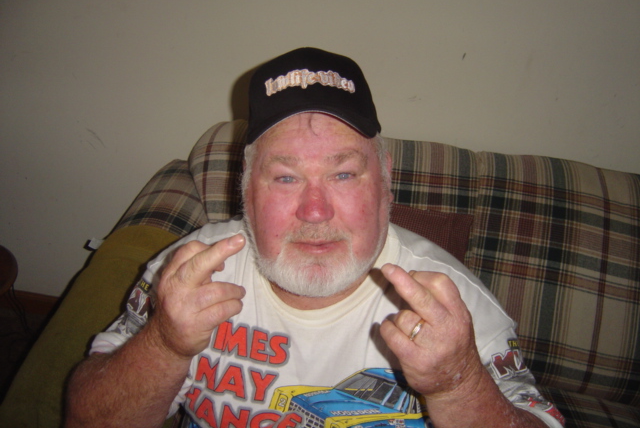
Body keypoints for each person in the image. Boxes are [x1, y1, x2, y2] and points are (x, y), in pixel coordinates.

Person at [66, 48, 564, 428]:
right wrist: (165, 344)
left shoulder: (453, 305)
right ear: (245, 188)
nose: (315, 210)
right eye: (285, 177)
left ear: (385, 180)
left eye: (343, 175)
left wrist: (457, 384)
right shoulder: (188, 275)